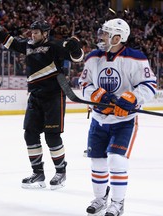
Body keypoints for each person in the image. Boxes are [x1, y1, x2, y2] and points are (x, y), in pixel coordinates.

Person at [0, 19, 84, 190]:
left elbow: (77, 58)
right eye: (32, 31)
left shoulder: (54, 45)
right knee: (30, 134)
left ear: (45, 33)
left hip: (53, 95)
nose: (33, 34)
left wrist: (75, 47)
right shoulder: (28, 45)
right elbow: (10, 42)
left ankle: (60, 172)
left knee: (52, 136)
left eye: (36, 32)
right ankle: (38, 173)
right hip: (35, 95)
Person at [78, 18, 157, 216]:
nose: (101, 36)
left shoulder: (135, 58)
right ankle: (100, 198)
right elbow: (84, 83)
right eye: (102, 32)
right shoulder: (93, 57)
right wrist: (96, 96)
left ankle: (118, 203)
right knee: (97, 161)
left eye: (106, 33)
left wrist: (131, 99)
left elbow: (149, 85)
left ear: (118, 37)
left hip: (124, 121)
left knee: (117, 160)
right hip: (99, 119)